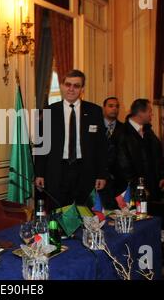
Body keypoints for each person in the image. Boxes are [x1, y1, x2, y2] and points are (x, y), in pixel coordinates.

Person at [34, 70, 108, 209]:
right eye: (68, 84)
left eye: (76, 85)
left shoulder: (94, 111)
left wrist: (101, 174)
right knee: (58, 213)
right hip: (57, 170)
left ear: (82, 89)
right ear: (62, 86)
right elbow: (41, 145)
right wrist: (39, 173)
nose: (71, 89)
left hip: (85, 170)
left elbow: (101, 146)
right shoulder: (48, 111)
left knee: (84, 213)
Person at [115, 99, 164, 226]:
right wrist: (139, 187)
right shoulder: (122, 134)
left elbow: (158, 157)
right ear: (140, 113)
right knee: (137, 226)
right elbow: (123, 165)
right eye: (150, 111)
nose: (152, 114)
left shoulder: (148, 132)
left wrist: (163, 175)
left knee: (153, 224)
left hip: (153, 187)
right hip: (133, 191)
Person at [100, 97, 124, 209]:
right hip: (99, 177)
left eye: (117, 106)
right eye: (110, 106)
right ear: (104, 108)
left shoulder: (124, 129)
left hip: (117, 180)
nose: (114, 109)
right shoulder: (96, 126)